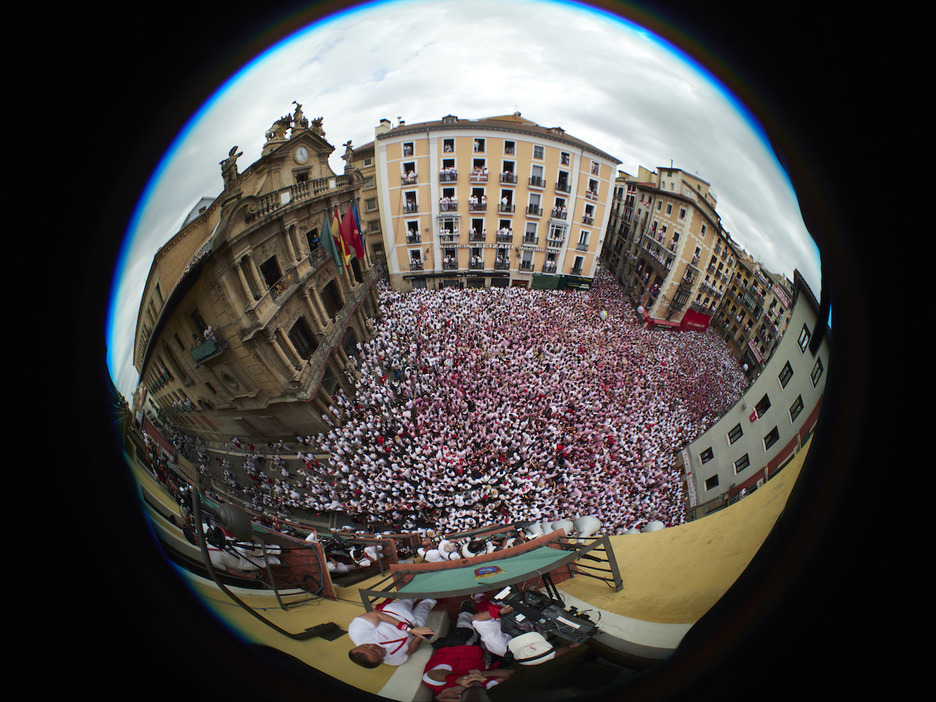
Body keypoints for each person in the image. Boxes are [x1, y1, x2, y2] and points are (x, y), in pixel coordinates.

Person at [423, 606, 514, 701]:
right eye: (461, 698)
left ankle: (465, 613)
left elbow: (434, 674)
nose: (459, 695)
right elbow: (508, 673)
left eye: (453, 697)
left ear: (440, 696)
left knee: (467, 632)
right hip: (482, 655)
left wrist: (457, 678)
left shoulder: (435, 685)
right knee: (509, 657)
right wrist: (482, 675)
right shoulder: (477, 687)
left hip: (456, 649)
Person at [347, 598, 438, 667]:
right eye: (375, 651)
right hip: (416, 627)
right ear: (382, 661)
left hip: (396, 613)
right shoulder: (395, 661)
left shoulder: (356, 632)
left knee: (412, 594)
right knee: (429, 602)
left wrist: (410, 629)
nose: (372, 646)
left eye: (365, 646)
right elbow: (411, 649)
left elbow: (376, 614)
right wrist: (420, 636)